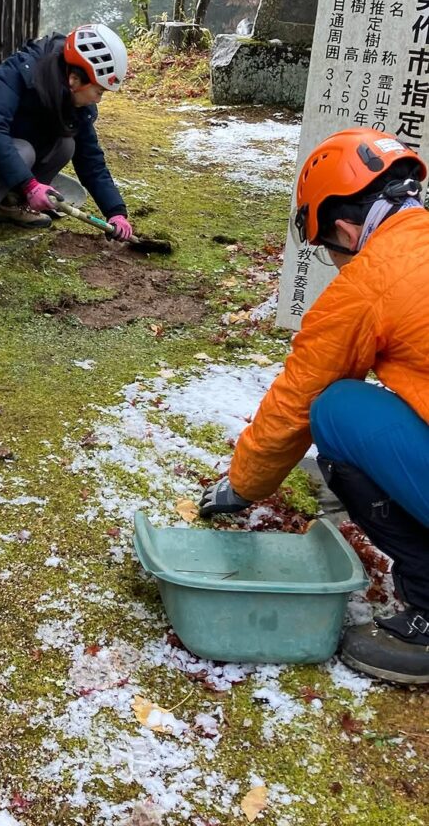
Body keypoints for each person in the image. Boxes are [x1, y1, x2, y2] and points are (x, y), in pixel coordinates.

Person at [200, 127, 429, 686]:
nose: (336, 261)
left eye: (330, 250)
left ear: (347, 228)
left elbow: (298, 398)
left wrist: (243, 484)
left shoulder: (371, 280)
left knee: (337, 410)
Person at [0, 24, 134, 257]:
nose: (99, 100)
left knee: (66, 145)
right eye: (99, 92)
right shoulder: (18, 73)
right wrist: (30, 185)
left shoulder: (74, 102)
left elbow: (91, 161)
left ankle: (8, 203)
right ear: (74, 79)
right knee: (22, 150)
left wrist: (116, 211)